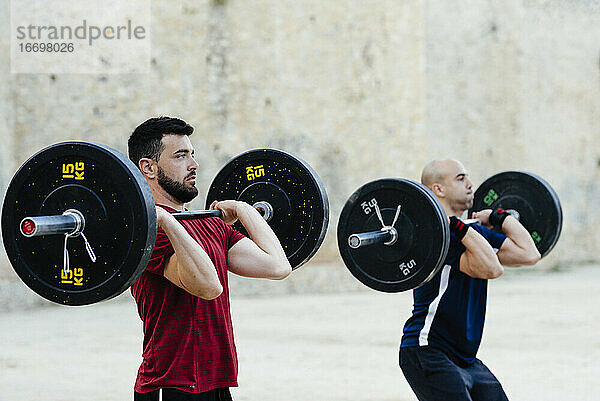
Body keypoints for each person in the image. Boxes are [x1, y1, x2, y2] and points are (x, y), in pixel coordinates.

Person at [127, 116, 292, 401]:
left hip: (218, 381)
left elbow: (277, 266)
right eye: (181, 156)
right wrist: (165, 219)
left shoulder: (211, 224)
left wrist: (243, 209)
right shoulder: (147, 232)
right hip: (171, 384)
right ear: (149, 168)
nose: (194, 165)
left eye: (192, 154)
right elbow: (208, 287)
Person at [400, 159, 541, 401]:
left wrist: (500, 217)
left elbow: (529, 254)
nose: (470, 184)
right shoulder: (435, 236)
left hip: (464, 357)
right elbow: (492, 268)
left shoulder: (467, 232)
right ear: (438, 189)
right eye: (460, 178)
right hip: (428, 350)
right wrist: (457, 226)